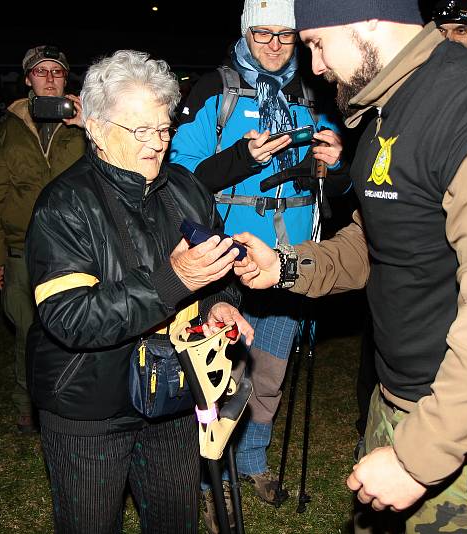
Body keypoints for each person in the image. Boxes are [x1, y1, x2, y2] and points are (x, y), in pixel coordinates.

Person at [232, 1, 467, 531]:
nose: (315, 66)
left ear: (367, 18)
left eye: (318, 44)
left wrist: (421, 455)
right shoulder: (385, 110)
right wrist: (286, 265)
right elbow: (381, 242)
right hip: (402, 399)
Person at [24, 49, 253, 534]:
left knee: (176, 520)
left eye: (164, 129)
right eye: (141, 131)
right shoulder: (64, 204)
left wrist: (221, 308)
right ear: (98, 129)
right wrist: (175, 282)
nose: (157, 144)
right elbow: (70, 318)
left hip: (172, 392)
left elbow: (220, 273)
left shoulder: (186, 189)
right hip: (89, 404)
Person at [169, 0, 347, 519]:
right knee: (215, 377)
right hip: (224, 263)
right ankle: (208, 480)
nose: (273, 44)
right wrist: (244, 158)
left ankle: (252, 460)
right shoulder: (215, 90)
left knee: (269, 373)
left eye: (285, 36)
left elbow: (337, 184)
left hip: (286, 261)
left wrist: (334, 168)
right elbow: (180, 179)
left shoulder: (313, 93)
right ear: (245, 33)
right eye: (262, 33)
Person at [0, 45, 85, 433]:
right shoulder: (7, 131)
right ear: (27, 80)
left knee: (78, 326)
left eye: (57, 72)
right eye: (41, 72)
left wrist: (89, 123)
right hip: (21, 247)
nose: (50, 78)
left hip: (75, 246)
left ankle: (72, 395)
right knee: (27, 329)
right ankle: (26, 402)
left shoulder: (85, 121)